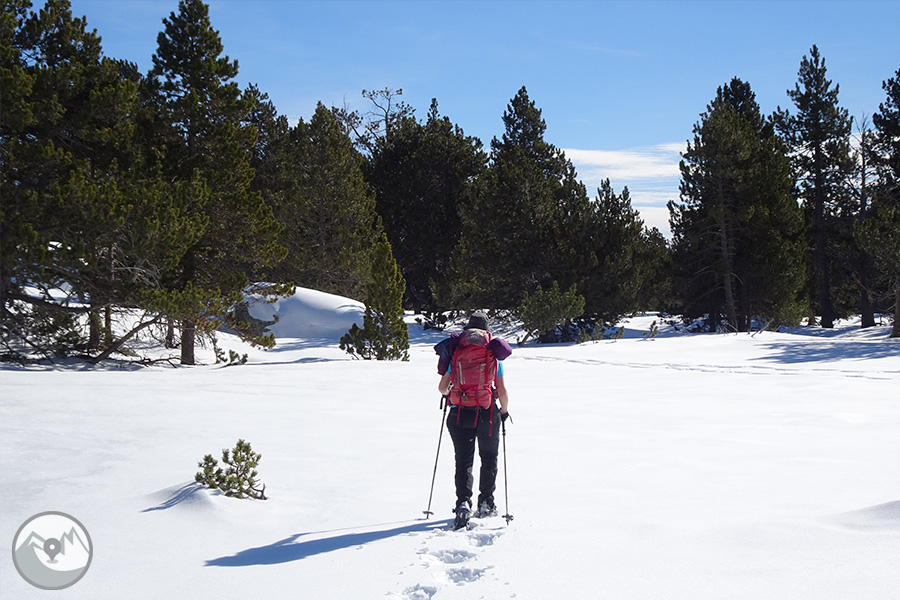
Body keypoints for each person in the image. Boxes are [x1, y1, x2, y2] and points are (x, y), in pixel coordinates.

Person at [435, 311, 511, 529]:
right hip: (487, 412)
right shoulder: (492, 354)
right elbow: (501, 391)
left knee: (463, 460)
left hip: (459, 412)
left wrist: (453, 392)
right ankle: (486, 502)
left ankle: (463, 503)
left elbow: (442, 388)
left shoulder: (457, 352)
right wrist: (504, 411)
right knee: (489, 457)